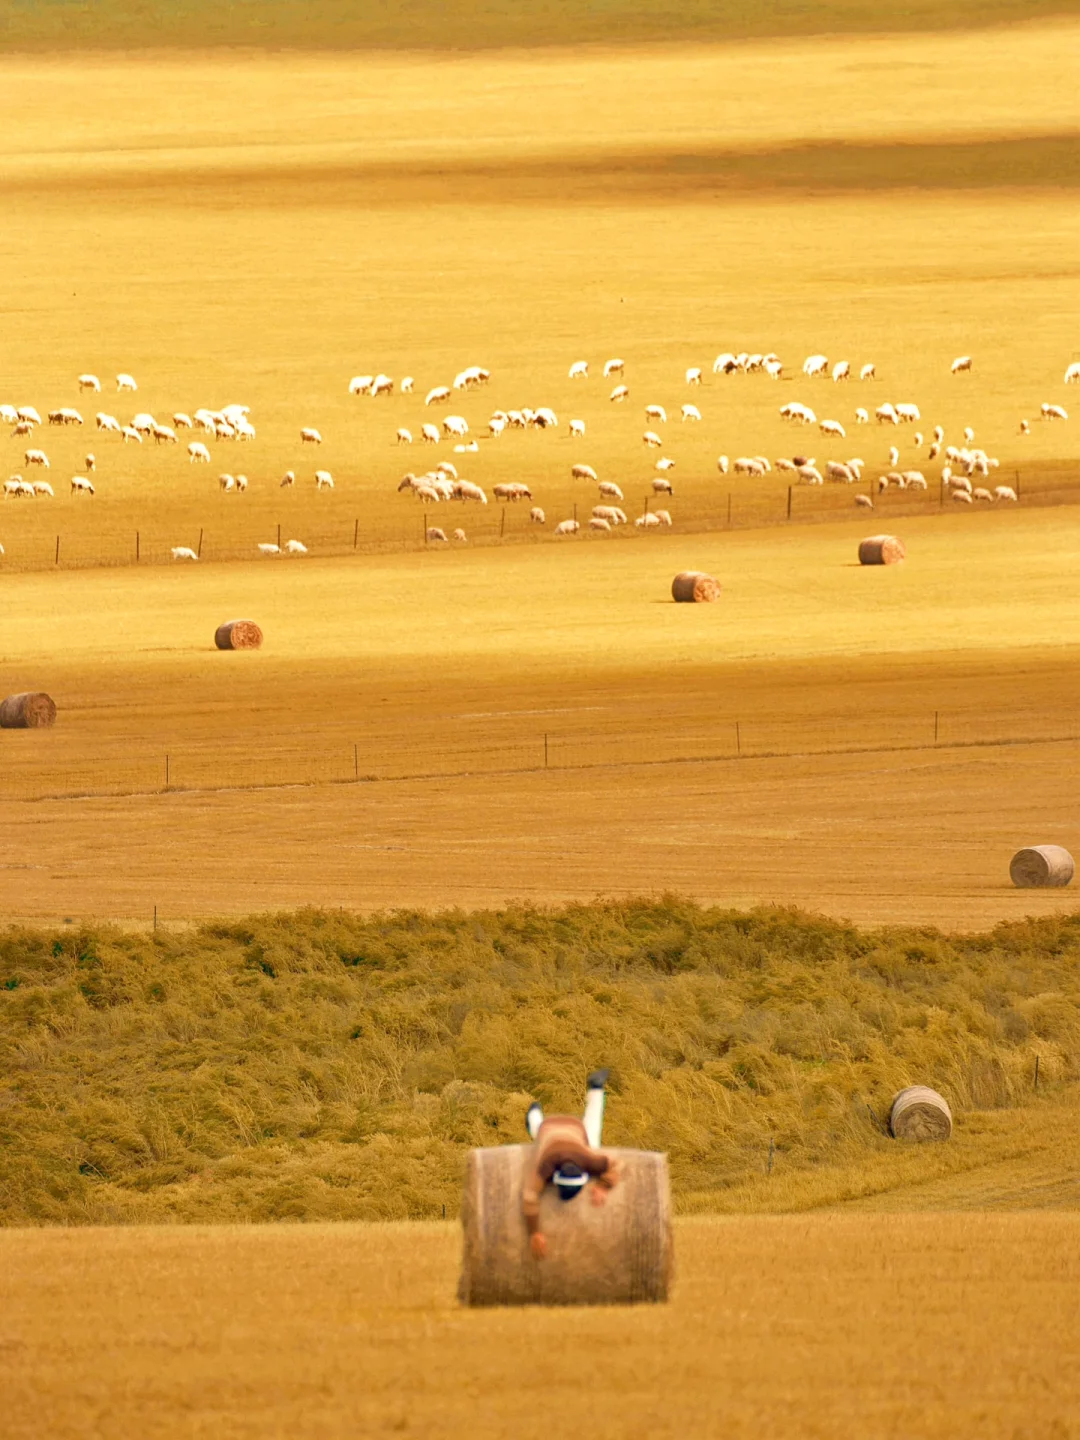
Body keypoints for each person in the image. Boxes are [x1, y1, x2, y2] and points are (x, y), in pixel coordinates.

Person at [521, 1069, 620, 1260]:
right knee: (546, 1135)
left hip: (556, 1128)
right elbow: (617, 1165)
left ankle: (595, 1090)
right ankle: (535, 1114)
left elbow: (530, 1196)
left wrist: (534, 1232)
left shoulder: (550, 1164)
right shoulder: (585, 1160)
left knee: (588, 1135)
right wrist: (603, 1185)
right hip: (561, 1127)